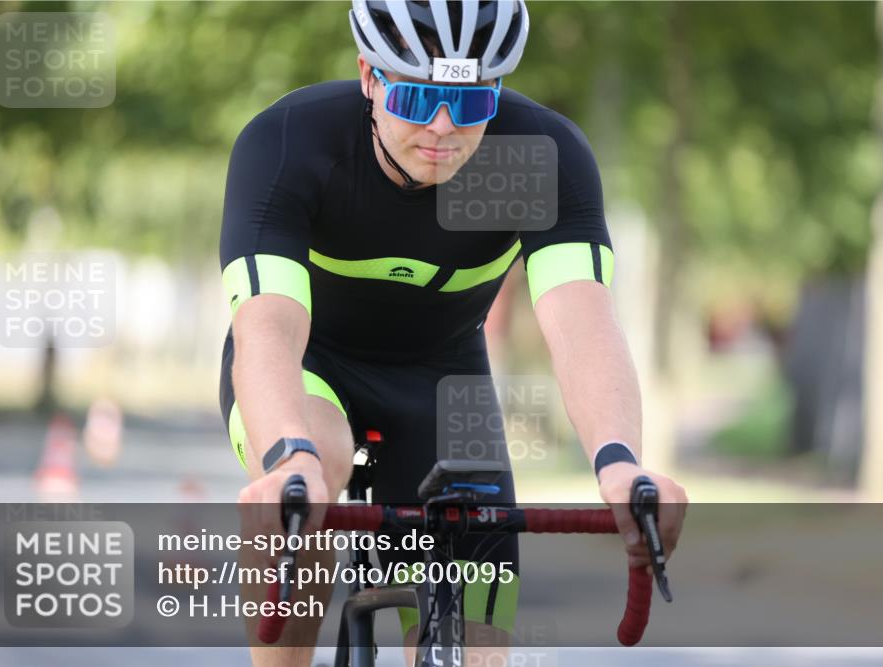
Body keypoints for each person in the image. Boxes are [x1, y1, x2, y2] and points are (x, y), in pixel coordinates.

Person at [219, 2, 688, 665]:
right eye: (416, 97)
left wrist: (619, 462)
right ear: (370, 78)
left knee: (479, 647)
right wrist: (285, 459)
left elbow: (582, 320)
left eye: (470, 104)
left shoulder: (537, 157)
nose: (443, 127)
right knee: (312, 464)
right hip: (312, 364)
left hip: (444, 379)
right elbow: (266, 327)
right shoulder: (292, 143)